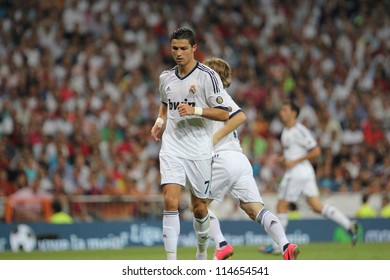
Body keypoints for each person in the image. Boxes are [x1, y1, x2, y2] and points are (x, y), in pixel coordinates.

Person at [202, 57, 299, 260]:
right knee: (254, 209)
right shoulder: (214, 97)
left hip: (221, 158)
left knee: (198, 205)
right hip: (239, 159)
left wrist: (213, 139)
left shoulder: (214, 96)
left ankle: (220, 245)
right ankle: (285, 245)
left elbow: (239, 116)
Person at [150, 27, 230, 260]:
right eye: (175, 48)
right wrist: (159, 120)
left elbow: (224, 113)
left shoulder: (208, 76)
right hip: (172, 147)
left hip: (199, 150)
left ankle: (202, 252)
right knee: (169, 199)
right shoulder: (165, 77)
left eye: (183, 48)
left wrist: (194, 110)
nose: (178, 53)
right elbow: (165, 104)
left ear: (194, 48)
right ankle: (171, 263)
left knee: (199, 208)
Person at [260, 100, 358, 255]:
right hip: (304, 172)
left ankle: (279, 245)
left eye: (285, 110)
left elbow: (316, 151)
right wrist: (285, 159)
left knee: (281, 205)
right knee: (316, 205)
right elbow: (295, 153)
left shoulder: (299, 130)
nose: (281, 113)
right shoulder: (286, 131)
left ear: (294, 113)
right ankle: (349, 224)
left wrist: (294, 161)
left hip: (297, 172)